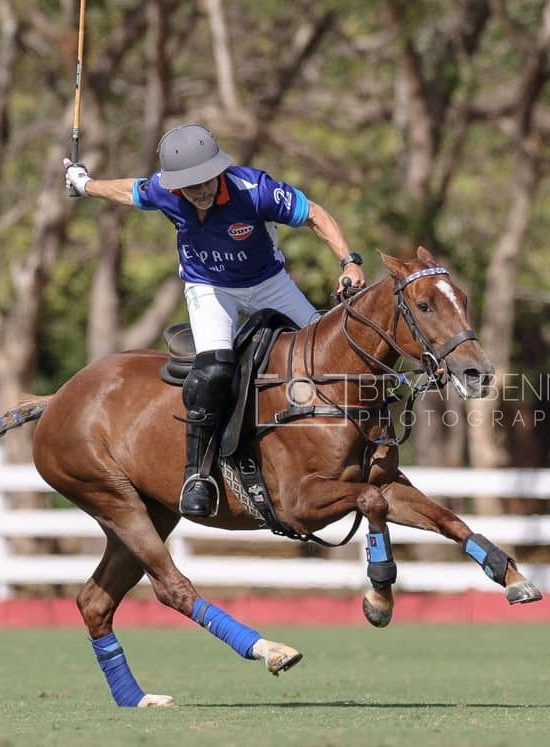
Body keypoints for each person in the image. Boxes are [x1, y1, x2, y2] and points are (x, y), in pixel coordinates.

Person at [63, 123, 366, 518]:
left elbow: (315, 215)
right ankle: (198, 475)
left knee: (325, 355)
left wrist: (348, 261)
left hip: (268, 282)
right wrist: (84, 183)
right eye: (190, 185)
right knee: (214, 372)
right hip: (209, 288)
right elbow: (128, 191)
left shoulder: (254, 190)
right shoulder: (164, 191)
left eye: (206, 180)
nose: (201, 190)